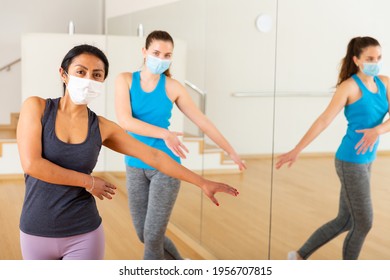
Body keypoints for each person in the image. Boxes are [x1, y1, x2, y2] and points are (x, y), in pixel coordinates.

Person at [16, 44, 239, 260]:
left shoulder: (103, 127)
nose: (88, 80)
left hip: (83, 232)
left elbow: (155, 156)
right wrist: (89, 182)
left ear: (103, 81)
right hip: (36, 230)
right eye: (80, 72)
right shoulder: (36, 108)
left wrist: (201, 182)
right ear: (64, 74)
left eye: (96, 75)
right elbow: (32, 165)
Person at [115, 30, 246, 260]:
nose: (161, 58)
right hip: (135, 163)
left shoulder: (173, 87)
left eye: (167, 55)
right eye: (156, 52)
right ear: (144, 52)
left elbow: (202, 122)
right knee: (143, 235)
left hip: (166, 167)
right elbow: (126, 121)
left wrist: (230, 151)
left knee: (153, 236)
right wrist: (165, 133)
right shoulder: (125, 80)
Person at [275, 36, 390, 260]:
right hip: (350, 161)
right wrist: (296, 149)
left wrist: (378, 130)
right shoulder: (349, 87)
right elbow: (323, 121)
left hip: (368, 159)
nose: (375, 62)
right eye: (370, 58)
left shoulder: (385, 83)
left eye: (378, 57)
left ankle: (298, 256)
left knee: (345, 220)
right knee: (364, 222)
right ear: (357, 60)